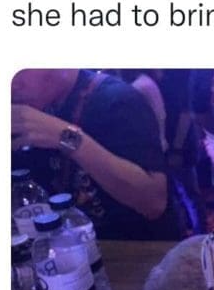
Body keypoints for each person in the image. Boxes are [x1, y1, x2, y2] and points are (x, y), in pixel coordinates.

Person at [11, 69, 181, 240]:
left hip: (139, 248)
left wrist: (66, 137)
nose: (12, 85)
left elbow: (154, 202)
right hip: (68, 247)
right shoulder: (36, 104)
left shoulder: (117, 99)